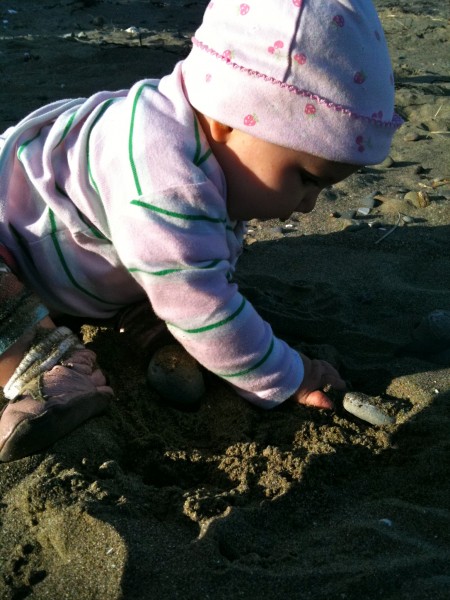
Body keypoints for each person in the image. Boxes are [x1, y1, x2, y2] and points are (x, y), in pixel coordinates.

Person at [0, 0, 402, 461]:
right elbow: (201, 298)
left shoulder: (208, 148)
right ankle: (44, 363)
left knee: (177, 276)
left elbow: (199, 267)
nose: (308, 205)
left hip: (85, 264)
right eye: (307, 180)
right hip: (17, 246)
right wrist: (289, 375)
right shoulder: (166, 180)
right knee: (184, 294)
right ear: (228, 119)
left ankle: (148, 319)